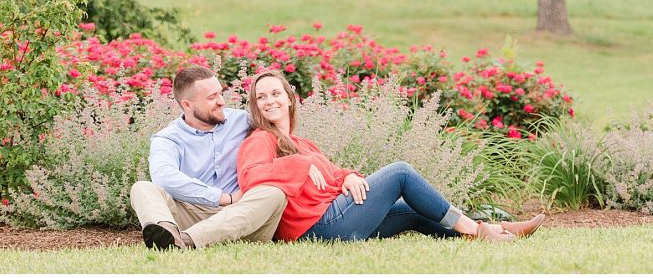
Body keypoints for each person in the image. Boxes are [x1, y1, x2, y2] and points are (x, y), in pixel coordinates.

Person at [237, 69, 545, 243]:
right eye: (261, 97)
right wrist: (299, 165)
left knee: (410, 210)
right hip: (320, 227)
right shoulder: (261, 139)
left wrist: (351, 176)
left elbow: (333, 176)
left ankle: (487, 229)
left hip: (335, 218)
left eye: (275, 93)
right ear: (256, 106)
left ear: (290, 99)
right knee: (400, 173)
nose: (269, 101)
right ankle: (483, 231)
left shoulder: (302, 142)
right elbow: (251, 177)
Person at [130, 66, 286, 250]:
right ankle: (168, 234)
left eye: (220, 93)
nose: (221, 102)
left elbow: (280, 130)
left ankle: (185, 242)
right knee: (142, 188)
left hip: (242, 218)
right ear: (187, 105)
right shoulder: (168, 138)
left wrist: (308, 160)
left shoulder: (243, 120)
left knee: (274, 193)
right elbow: (164, 176)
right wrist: (224, 198)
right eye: (212, 97)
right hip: (193, 214)